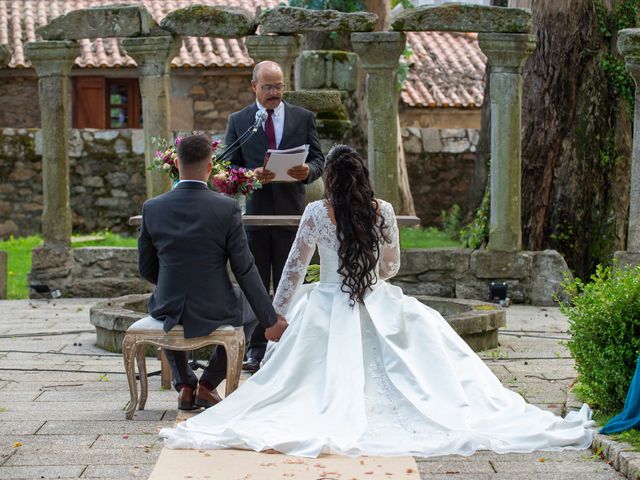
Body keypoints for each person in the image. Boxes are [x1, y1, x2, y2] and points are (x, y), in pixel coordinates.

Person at [159, 145, 594, 457]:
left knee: (292, 380)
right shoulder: (382, 210)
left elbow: (292, 270)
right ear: (363, 176)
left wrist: (277, 316)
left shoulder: (314, 214)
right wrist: (368, 279)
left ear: (328, 179)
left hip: (325, 301)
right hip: (375, 298)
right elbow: (391, 267)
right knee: (427, 355)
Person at [138, 134, 288, 411]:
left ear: (177, 165)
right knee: (251, 311)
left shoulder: (152, 208)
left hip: (168, 301)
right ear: (210, 167)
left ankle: (184, 384)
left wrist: (173, 282)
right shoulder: (226, 208)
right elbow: (244, 268)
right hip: (214, 303)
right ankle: (207, 385)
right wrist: (270, 319)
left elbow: (146, 267)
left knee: (166, 312)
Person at [224, 60, 324, 372]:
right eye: (268, 86)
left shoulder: (302, 117)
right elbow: (227, 168)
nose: (274, 92)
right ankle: (256, 349)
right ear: (253, 86)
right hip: (254, 217)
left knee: (292, 282)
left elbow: (320, 158)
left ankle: (293, 348)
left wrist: (308, 171)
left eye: (279, 86)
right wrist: (250, 176)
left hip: (293, 215)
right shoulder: (240, 120)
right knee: (255, 284)